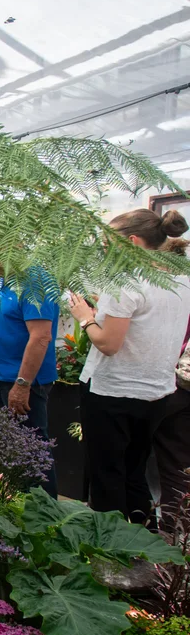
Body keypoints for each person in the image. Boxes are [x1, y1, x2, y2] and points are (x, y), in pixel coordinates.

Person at [70, 208, 190, 525]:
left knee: (107, 474)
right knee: (135, 470)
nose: (106, 250)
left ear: (133, 241)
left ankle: (110, 553)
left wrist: (84, 317)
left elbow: (109, 345)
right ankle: (142, 537)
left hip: (113, 392)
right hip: (156, 393)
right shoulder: (181, 279)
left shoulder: (126, 281)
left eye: (110, 243)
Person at [0, 266, 58, 495]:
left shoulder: (35, 279)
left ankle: (45, 513)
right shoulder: (6, 279)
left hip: (23, 383)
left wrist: (23, 383)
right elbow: (5, 325)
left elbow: (41, 336)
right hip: (2, 378)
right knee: (10, 447)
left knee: (32, 450)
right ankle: (17, 507)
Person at [156, 328, 190, 529]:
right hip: (182, 386)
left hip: (170, 383)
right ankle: (176, 534)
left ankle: (171, 536)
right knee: (178, 465)